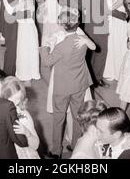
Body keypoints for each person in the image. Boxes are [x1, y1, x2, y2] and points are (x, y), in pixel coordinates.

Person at [40, 9, 95, 158]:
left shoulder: (62, 46)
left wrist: (45, 46)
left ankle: (56, 151)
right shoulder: (82, 38)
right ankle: (75, 145)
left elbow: (46, 62)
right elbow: (93, 46)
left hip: (62, 87)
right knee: (77, 115)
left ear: (63, 26)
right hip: (78, 83)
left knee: (59, 118)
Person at [1, 76, 40, 159]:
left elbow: (36, 145)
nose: (15, 104)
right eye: (12, 100)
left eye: (18, 99)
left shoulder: (23, 116)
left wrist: (27, 132)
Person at [0, 0, 26, 76]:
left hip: (14, 23)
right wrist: (23, 0)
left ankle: (13, 72)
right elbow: (11, 10)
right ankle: (8, 75)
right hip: (11, 25)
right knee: (11, 52)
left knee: (15, 51)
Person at [15, 0, 40, 84]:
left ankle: (27, 77)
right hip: (24, 27)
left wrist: (16, 13)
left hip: (27, 28)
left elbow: (26, 14)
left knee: (26, 51)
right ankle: (25, 75)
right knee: (24, 51)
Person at [103, 0, 128, 81]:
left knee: (118, 46)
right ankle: (111, 70)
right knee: (112, 45)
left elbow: (110, 8)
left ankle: (118, 72)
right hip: (114, 23)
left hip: (119, 25)